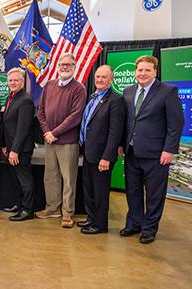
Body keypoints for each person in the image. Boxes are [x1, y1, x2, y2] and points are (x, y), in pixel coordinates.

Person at [120, 55, 184, 244]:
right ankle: (134, 224)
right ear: (135, 72)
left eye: (147, 70)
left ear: (155, 71)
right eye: (140, 70)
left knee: (154, 195)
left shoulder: (167, 91)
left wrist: (169, 150)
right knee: (133, 192)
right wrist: (121, 144)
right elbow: (127, 121)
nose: (143, 73)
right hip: (131, 152)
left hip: (157, 155)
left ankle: (149, 229)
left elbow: (176, 124)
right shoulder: (128, 91)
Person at [36, 53, 87, 228]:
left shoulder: (78, 88)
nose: (64, 67)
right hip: (50, 140)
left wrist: (55, 132)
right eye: (62, 64)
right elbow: (41, 111)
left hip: (67, 142)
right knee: (50, 176)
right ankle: (52, 208)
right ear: (57, 66)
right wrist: (47, 132)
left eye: (68, 65)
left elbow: (75, 116)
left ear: (74, 67)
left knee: (68, 179)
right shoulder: (49, 86)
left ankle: (67, 213)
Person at [78, 65, 125, 234]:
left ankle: (100, 225)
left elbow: (115, 132)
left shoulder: (116, 100)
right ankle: (91, 219)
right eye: (97, 77)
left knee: (100, 192)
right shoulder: (93, 96)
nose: (99, 80)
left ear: (111, 79)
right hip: (89, 153)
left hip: (102, 156)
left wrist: (107, 157)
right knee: (89, 189)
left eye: (104, 77)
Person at [0, 68, 36, 222]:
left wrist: (15, 150)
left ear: (22, 82)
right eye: (10, 80)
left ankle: (28, 210)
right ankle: (19, 204)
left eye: (16, 80)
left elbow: (22, 129)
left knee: (25, 180)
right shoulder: (12, 97)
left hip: (20, 150)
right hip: (11, 147)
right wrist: (5, 145)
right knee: (16, 180)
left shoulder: (25, 100)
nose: (12, 83)